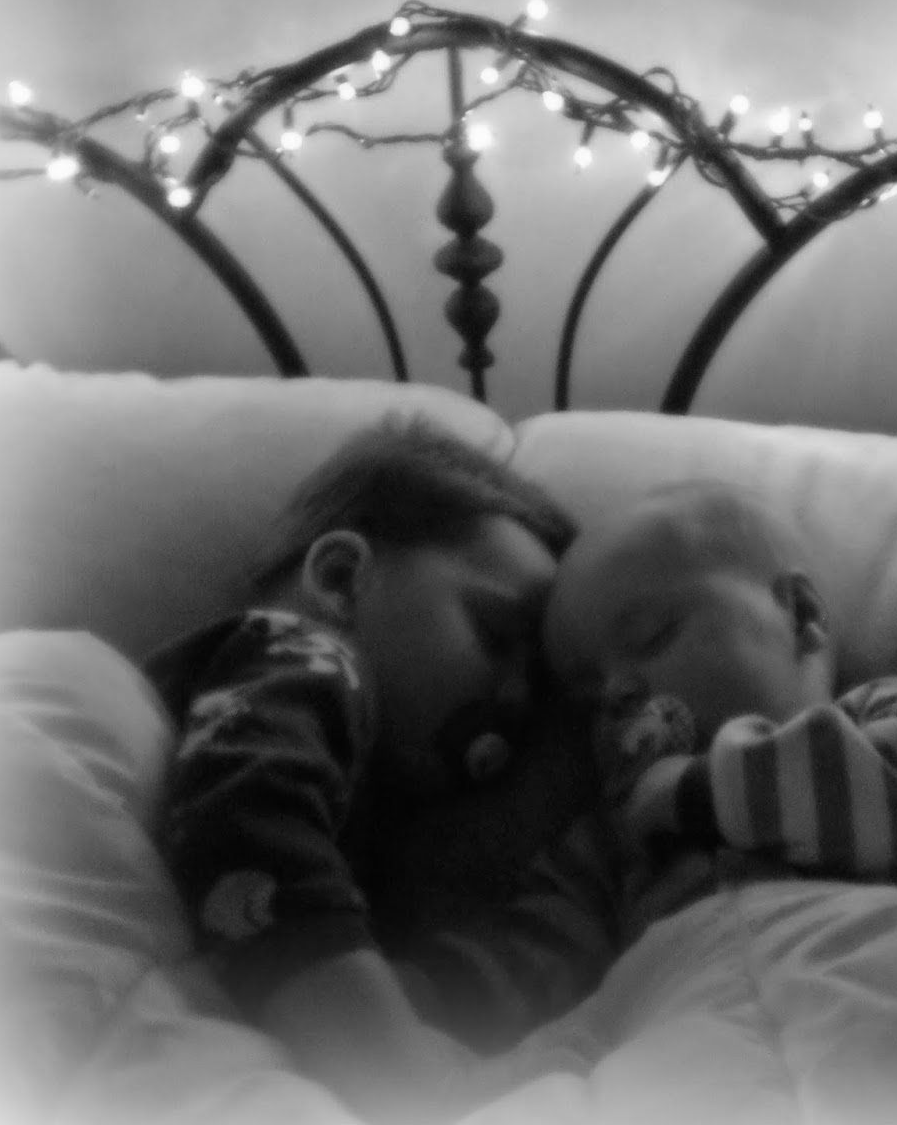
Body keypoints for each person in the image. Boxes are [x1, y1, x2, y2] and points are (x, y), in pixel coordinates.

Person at [402, 479, 897, 1046]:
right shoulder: (616, 837)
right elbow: (533, 956)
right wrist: (426, 997)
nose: (617, 693)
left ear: (800, 613)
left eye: (652, 637)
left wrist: (689, 792)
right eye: (588, 696)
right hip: (707, 1037)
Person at [144, 415, 577, 1117]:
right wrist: (399, 1079)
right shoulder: (305, 656)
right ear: (342, 580)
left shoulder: (376, 792)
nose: (519, 696)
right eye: (497, 635)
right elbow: (246, 829)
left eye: (539, 680)